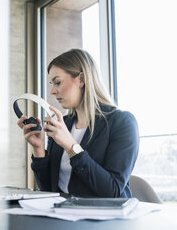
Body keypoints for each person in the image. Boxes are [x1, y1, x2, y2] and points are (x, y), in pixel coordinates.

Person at [17, 49, 139, 198]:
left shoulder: (122, 122)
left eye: (58, 82)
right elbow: (49, 189)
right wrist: (39, 149)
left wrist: (70, 146)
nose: (52, 91)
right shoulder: (64, 124)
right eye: (51, 84)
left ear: (81, 79)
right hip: (63, 214)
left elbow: (112, 191)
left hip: (103, 218)